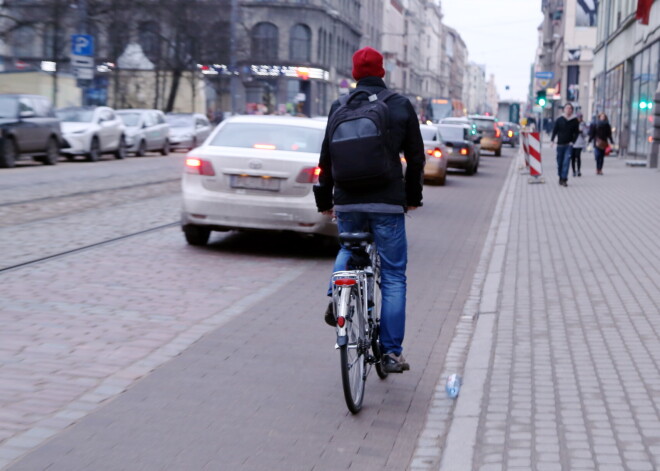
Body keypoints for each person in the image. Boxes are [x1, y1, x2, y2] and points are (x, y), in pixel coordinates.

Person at [314, 46, 425, 374]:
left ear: (354, 74)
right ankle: (391, 353)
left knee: (349, 247)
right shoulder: (400, 105)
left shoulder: (340, 105)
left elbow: (326, 159)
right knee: (392, 275)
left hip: (348, 200)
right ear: (383, 72)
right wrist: (412, 196)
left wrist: (325, 202)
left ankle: (338, 294)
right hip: (387, 202)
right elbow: (416, 158)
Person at [551, 103, 580, 186]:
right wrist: (552, 140)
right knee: (559, 162)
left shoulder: (574, 120)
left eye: (570, 108)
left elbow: (576, 132)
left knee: (566, 162)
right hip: (560, 144)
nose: (568, 110)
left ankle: (564, 179)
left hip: (569, 144)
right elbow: (555, 130)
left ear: (572, 110)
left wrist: (573, 141)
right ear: (564, 109)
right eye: (567, 108)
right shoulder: (559, 119)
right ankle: (560, 176)